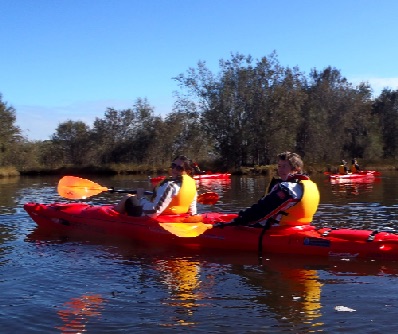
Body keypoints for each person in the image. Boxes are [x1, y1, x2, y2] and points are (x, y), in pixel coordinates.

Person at [217, 152, 319, 228]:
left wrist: (238, 221)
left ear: (296, 169)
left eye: (285, 166)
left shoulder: (287, 188)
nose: (280, 170)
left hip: (275, 229)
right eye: (279, 166)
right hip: (300, 227)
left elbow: (262, 210)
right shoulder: (309, 185)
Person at [114, 155, 197, 217]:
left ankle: (112, 218)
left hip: (151, 216)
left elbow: (154, 212)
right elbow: (192, 212)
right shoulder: (192, 185)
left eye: (179, 168)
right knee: (134, 198)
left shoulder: (171, 185)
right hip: (174, 216)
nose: (174, 169)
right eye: (173, 165)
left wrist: (141, 197)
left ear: (188, 171)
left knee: (128, 197)